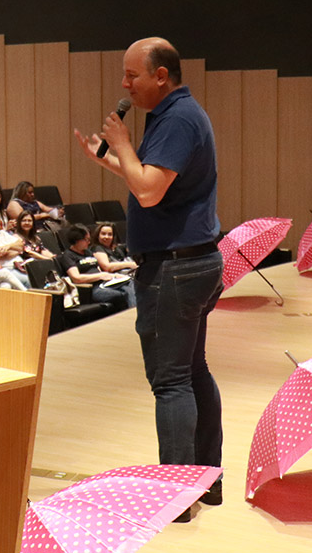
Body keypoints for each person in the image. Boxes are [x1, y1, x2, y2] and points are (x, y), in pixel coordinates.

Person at [74, 37, 224, 516]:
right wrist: (111, 160)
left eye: (132, 75)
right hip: (193, 262)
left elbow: (150, 192)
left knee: (172, 383)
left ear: (162, 75)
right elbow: (148, 179)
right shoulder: (178, 114)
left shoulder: (177, 118)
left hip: (175, 269)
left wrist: (120, 143)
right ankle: (206, 481)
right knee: (192, 372)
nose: (124, 84)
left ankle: (175, 496)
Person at [60, 224, 131, 311]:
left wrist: (114, 276)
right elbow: (76, 278)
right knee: (124, 294)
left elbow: (98, 270)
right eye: (86, 240)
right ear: (77, 240)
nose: (89, 242)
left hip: (105, 283)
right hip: (91, 290)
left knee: (131, 284)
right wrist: (100, 276)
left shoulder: (88, 252)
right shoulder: (68, 256)